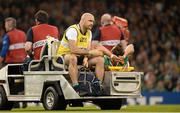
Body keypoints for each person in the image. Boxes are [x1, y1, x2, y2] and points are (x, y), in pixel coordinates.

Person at [56, 13, 104, 94]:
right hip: (63, 56)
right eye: (90, 21)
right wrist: (90, 53)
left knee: (100, 60)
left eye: (93, 21)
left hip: (79, 56)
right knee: (73, 58)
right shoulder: (72, 30)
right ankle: (76, 87)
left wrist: (86, 58)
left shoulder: (89, 32)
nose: (92, 23)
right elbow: (73, 50)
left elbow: (87, 49)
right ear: (83, 20)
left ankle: (98, 85)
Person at [0, 17, 27, 108]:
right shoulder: (23, 34)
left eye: (5, 24)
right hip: (22, 63)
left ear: (8, 25)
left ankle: (15, 104)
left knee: (11, 84)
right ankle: (24, 101)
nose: (5, 26)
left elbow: (4, 51)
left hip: (11, 64)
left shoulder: (8, 36)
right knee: (22, 82)